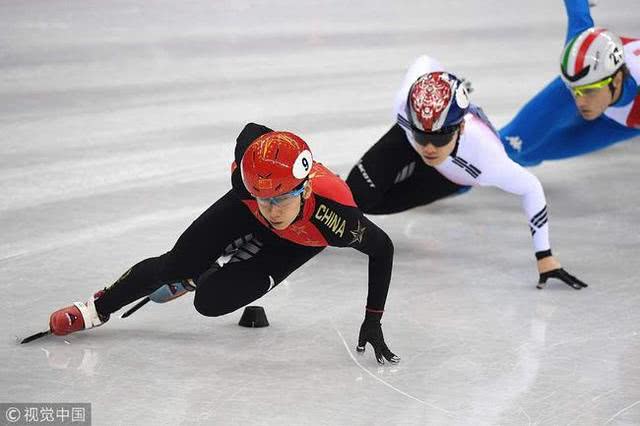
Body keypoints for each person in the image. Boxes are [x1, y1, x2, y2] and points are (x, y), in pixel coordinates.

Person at [47, 123, 400, 365]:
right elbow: (251, 131)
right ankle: (96, 308)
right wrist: (260, 183)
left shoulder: (338, 218)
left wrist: (373, 320)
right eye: (263, 198)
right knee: (173, 264)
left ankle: (197, 278)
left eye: (280, 201)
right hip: (241, 213)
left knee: (210, 302)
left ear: (304, 188)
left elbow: (383, 250)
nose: (271, 210)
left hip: (296, 243)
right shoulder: (247, 183)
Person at [346, 55, 587, 290]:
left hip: (450, 177)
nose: (429, 148)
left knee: (370, 205)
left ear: (460, 126)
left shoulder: (486, 155)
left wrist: (544, 256)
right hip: (406, 140)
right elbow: (424, 60)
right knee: (355, 197)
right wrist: (448, 85)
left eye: (439, 138)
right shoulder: (405, 105)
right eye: (423, 136)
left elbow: (531, 188)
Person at [500, 0, 639, 166]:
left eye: (588, 91)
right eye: (575, 91)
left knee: (525, 155)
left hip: (622, 122)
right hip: (601, 91)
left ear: (616, 81)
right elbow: (578, 12)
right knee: (511, 147)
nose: (580, 102)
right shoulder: (580, 46)